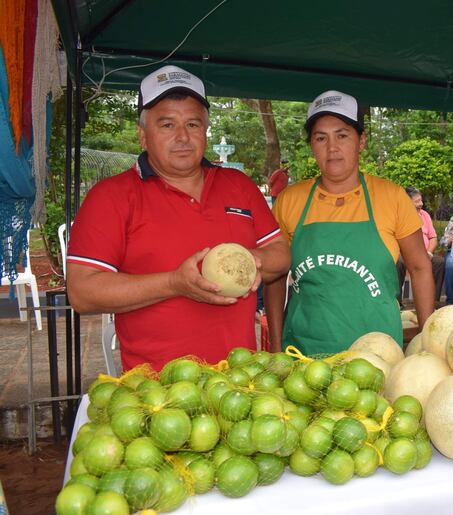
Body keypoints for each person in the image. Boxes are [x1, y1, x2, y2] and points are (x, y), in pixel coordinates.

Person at [65, 65, 291, 371]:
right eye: (167, 125)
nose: (183, 137)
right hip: (159, 394)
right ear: (143, 135)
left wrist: (249, 260)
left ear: (205, 131)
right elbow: (82, 292)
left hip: (239, 386)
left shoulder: (238, 186)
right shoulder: (111, 197)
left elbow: (281, 253)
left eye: (193, 124)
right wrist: (174, 283)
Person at [266, 90, 434, 354]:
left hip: (377, 356)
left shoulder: (391, 197)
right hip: (303, 356)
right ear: (312, 145)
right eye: (321, 138)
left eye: (342, 135)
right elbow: (274, 279)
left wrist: (427, 345)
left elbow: (420, 267)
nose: (332, 148)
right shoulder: (290, 200)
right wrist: (275, 348)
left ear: (361, 141)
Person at [396, 187, 445, 305]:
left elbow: (433, 238)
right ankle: (397, 302)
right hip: (404, 253)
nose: (421, 204)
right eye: (417, 201)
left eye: (421, 200)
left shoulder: (425, 215)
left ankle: (433, 302)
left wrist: (428, 252)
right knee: (398, 262)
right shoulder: (398, 216)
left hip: (423, 253)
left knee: (439, 263)